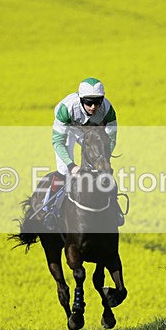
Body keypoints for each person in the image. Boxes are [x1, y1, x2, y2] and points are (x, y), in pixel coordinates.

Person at [49, 77, 123, 225]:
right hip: (69, 131)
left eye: (98, 102)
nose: (94, 107)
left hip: (92, 134)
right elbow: (58, 142)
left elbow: (110, 140)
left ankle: (115, 208)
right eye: (89, 102)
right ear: (81, 99)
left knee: (105, 172)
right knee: (64, 171)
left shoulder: (108, 110)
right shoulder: (66, 108)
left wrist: (102, 160)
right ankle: (50, 211)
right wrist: (72, 165)